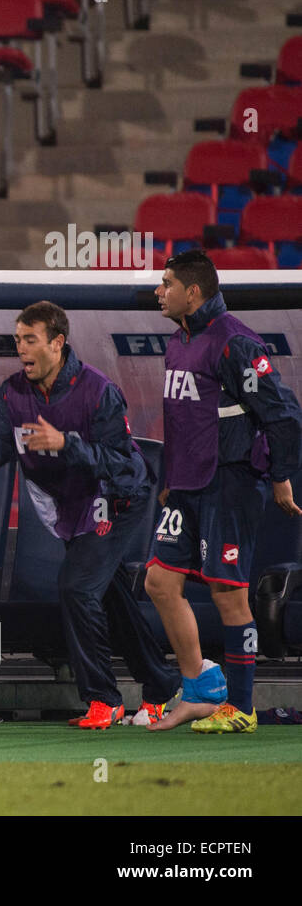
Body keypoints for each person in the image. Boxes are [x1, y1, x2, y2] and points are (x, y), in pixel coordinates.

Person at [0, 301, 181, 729]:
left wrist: (66, 444)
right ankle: (161, 685)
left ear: (58, 343)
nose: (22, 350)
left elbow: (124, 466)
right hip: (67, 507)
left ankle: (104, 699)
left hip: (115, 499)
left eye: (31, 340)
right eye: (17, 341)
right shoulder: (10, 394)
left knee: (78, 587)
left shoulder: (98, 391)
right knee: (108, 594)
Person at [145, 250, 302, 733]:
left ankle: (242, 708)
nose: (158, 291)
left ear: (193, 292)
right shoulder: (177, 342)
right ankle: (201, 689)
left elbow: (284, 414)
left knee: (228, 595)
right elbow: (182, 420)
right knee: (158, 582)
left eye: (166, 283)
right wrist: (171, 478)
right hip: (187, 487)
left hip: (229, 484)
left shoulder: (236, 343)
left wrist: (279, 475)